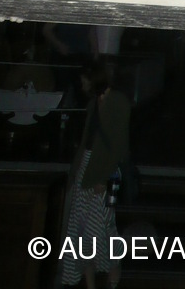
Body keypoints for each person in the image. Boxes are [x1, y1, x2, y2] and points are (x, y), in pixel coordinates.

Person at [59, 60, 131, 289]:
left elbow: (118, 144)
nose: (83, 86)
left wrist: (104, 177)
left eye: (85, 82)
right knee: (82, 229)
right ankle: (91, 282)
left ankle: (113, 269)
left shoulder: (117, 101)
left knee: (102, 225)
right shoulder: (94, 103)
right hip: (88, 166)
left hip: (107, 171)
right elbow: (87, 141)